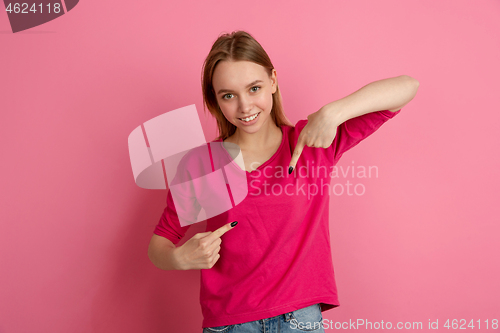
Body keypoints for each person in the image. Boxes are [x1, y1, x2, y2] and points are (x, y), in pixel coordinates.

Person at [148, 30, 418, 333]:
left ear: (273, 81)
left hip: (300, 321)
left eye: (254, 88)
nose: (245, 106)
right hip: (230, 324)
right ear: (216, 100)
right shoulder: (199, 164)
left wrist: (333, 112)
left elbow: (407, 87)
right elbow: (160, 242)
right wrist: (178, 258)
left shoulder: (313, 141)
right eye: (228, 95)